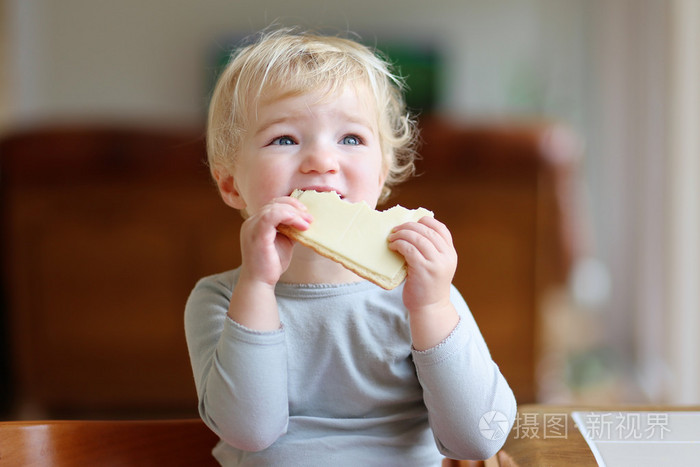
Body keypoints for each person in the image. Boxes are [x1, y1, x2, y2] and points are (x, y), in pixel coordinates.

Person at [185, 28, 516, 466]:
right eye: (284, 139)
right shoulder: (221, 300)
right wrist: (258, 287)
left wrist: (431, 308)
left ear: (381, 175)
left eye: (351, 139)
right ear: (231, 184)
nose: (322, 160)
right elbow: (251, 430)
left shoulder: (422, 292)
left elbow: (479, 439)